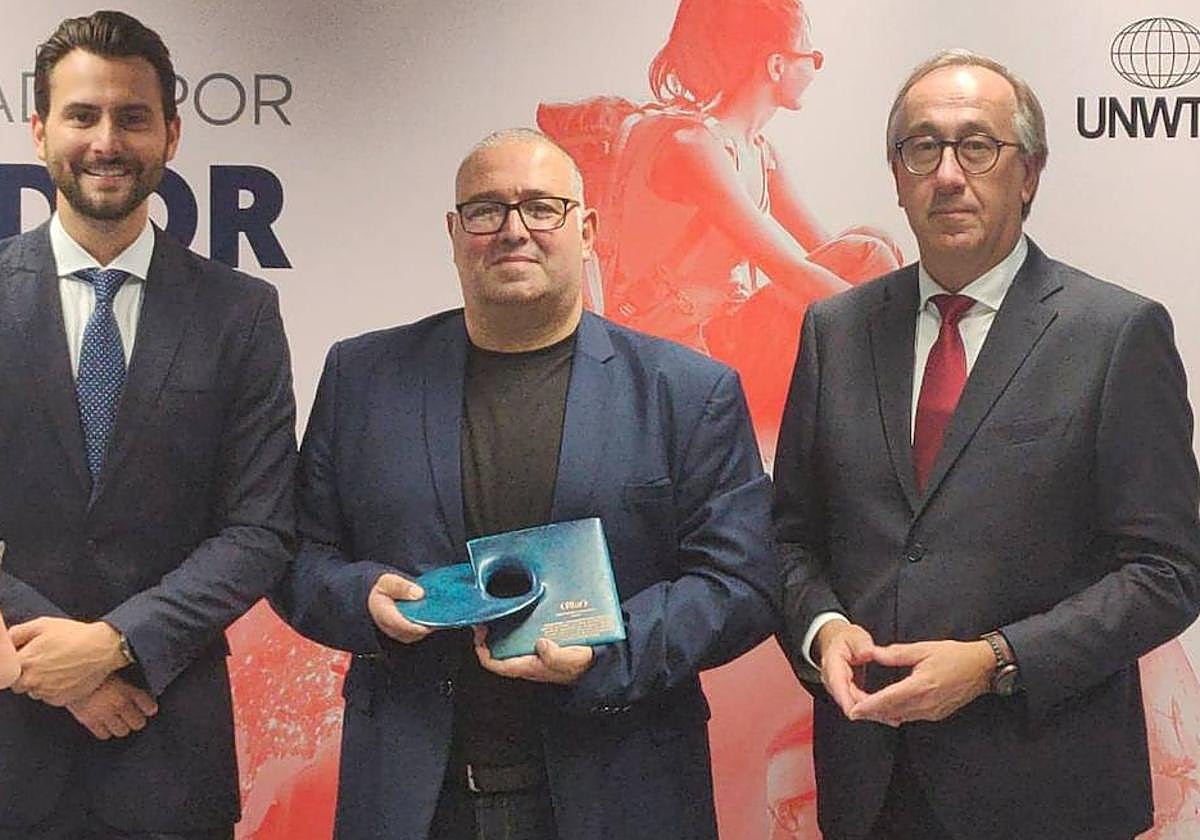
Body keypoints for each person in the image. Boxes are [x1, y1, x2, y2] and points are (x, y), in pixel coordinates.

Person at [276, 127, 776, 840]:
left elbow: (741, 583)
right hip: (415, 803)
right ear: (454, 234)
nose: (514, 230)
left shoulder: (687, 392)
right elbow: (295, 554)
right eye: (486, 210)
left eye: (542, 207)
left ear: (586, 230)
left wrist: (609, 650)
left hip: (622, 793)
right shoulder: (362, 378)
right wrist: (362, 599)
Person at [774, 49, 1200, 840]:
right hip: (872, 786)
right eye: (922, 148)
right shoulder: (835, 330)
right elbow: (789, 539)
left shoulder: (1116, 334)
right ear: (896, 176)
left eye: (977, 146)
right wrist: (823, 628)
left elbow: (1168, 572)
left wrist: (997, 660)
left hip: (1048, 790)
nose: (947, 175)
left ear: (1028, 173)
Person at [0, 11, 295, 839]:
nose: (106, 141)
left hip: (166, 749)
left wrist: (114, 645)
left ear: (171, 133)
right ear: (39, 130)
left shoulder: (240, 313)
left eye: (132, 117)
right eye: (82, 115)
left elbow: (261, 530)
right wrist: (49, 666)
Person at [538, 0, 901, 441]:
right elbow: (788, 269)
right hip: (685, 352)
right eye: (812, 55)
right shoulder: (693, 147)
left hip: (727, 333)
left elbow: (826, 252)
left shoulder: (759, 153)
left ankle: (876, 416)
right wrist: (906, 322)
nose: (815, 68)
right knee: (870, 257)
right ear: (776, 64)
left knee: (871, 243)